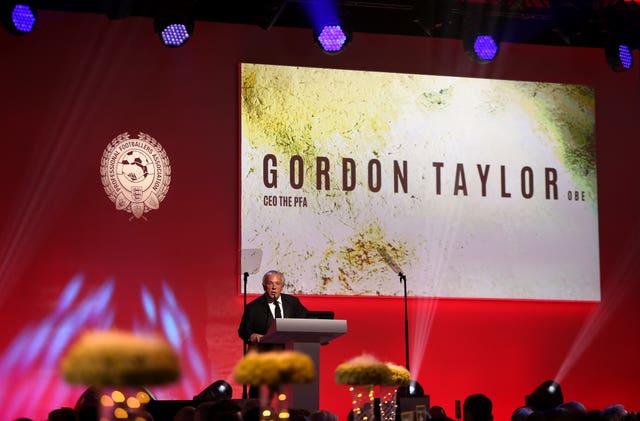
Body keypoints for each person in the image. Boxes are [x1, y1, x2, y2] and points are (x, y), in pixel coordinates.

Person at [237, 270, 308, 349]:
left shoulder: (293, 302)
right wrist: (252, 336)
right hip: (264, 352)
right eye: (270, 283)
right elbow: (243, 330)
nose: (274, 287)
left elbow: (306, 319)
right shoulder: (253, 307)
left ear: (282, 286)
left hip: (290, 351)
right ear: (264, 286)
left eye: (277, 283)